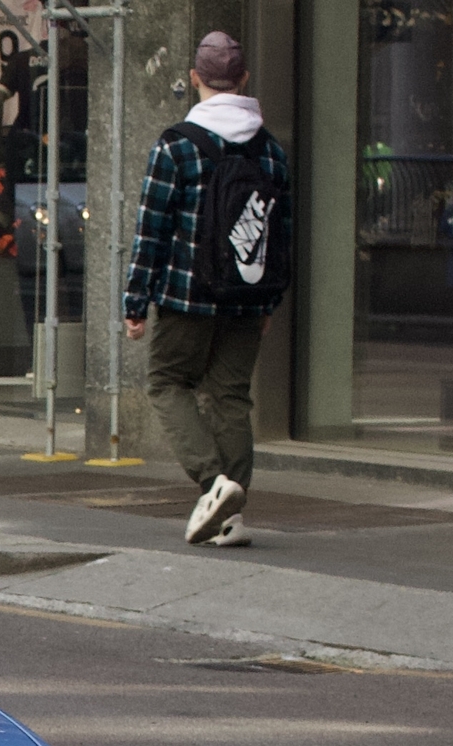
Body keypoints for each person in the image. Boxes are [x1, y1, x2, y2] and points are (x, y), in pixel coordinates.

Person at [122, 32, 291, 548]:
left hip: (185, 296)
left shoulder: (177, 146)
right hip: (247, 293)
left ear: (195, 78)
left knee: (167, 382)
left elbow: (151, 229)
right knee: (231, 396)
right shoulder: (271, 150)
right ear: (243, 80)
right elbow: (279, 233)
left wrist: (135, 302)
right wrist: (268, 300)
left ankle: (213, 483)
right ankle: (232, 517)